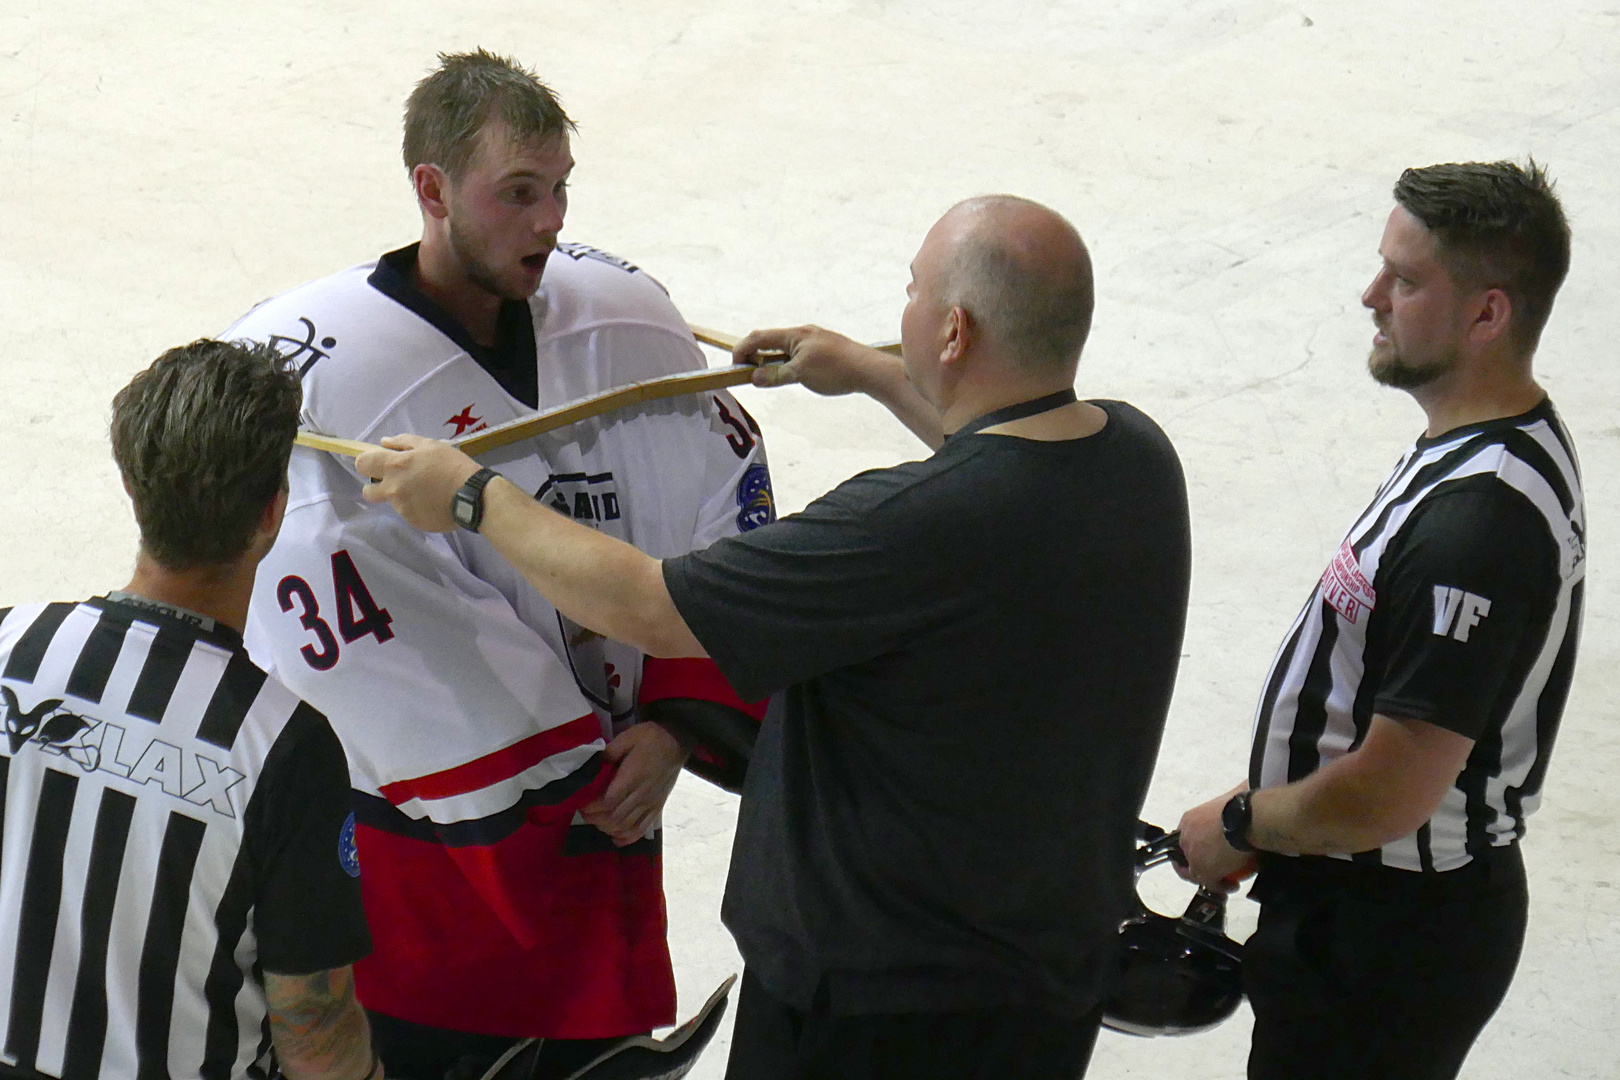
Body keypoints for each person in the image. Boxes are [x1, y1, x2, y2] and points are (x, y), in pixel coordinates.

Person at [354, 194, 1194, 1080]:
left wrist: (473, 497)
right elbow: (998, 447)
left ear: (952, 332)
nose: (896, 311)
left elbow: (650, 606)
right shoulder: (1137, 458)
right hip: (1044, 987)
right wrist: (869, 371)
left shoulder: (901, 529)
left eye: (910, 292)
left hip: (872, 1016)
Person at [223, 49, 772, 1079]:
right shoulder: (329, 387)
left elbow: (721, 499)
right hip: (425, 885)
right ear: (431, 191)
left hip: (611, 816)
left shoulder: (627, 326)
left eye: (560, 188)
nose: (550, 219)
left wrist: (676, 716)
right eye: (517, 193)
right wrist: (567, 773)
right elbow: (347, 627)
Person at [1174, 160, 1583, 1080]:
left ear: (1488, 314)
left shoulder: (1479, 528)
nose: (1371, 296)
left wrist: (1246, 821)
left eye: (1404, 280)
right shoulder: (1481, 443)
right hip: (1353, 896)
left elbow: (1390, 793)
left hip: (1387, 939)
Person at [0, 339, 377, 1080]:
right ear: (272, 514)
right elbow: (314, 1028)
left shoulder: (9, 640)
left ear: (135, 486)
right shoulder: (284, 745)